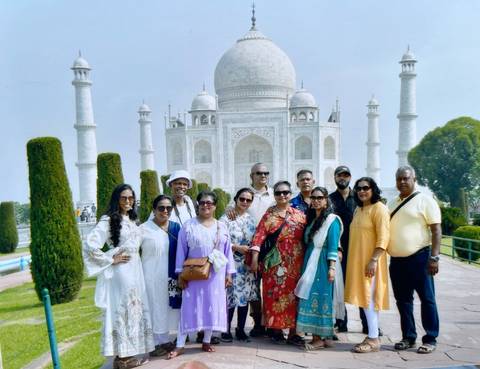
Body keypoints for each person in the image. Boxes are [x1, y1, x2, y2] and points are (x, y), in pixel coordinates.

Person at [83, 184, 153, 369]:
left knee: (135, 308)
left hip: (135, 268)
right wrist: (109, 259)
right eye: (124, 198)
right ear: (117, 199)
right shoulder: (108, 220)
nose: (128, 201)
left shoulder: (133, 220)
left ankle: (128, 353)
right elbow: (89, 245)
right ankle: (121, 356)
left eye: (131, 198)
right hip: (122, 270)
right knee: (123, 309)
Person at [167, 191, 235, 359]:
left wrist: (229, 274)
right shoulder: (188, 226)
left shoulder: (222, 226)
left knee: (212, 306)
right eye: (202, 202)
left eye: (209, 203)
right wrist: (180, 275)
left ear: (215, 206)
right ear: (197, 205)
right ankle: (180, 344)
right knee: (188, 308)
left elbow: (228, 253)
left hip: (215, 275)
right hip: (193, 274)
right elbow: (181, 252)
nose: (206, 205)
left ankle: (206, 340)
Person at [388, 166, 441, 354]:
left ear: (414, 179)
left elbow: (436, 230)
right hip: (397, 261)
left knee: (427, 299)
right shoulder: (392, 203)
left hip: (420, 258)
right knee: (403, 301)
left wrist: (434, 257)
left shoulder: (425, 200)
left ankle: (430, 338)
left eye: (405, 178)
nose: (402, 182)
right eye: (399, 179)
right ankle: (409, 336)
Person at [250, 181, 306, 345]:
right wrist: (254, 259)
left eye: (286, 192)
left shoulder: (299, 215)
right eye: (279, 193)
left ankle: (294, 333)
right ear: (274, 195)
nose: (282, 195)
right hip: (275, 265)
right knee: (274, 297)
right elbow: (258, 237)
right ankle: (276, 330)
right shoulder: (269, 215)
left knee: (295, 296)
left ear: (290, 194)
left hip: (296, 263)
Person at [345, 177, 390, 353]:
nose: (362, 191)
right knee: (364, 299)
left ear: (373, 189)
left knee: (369, 299)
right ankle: (372, 335)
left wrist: (373, 260)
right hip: (358, 261)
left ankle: (373, 338)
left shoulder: (379, 209)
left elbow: (384, 236)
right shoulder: (359, 209)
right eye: (359, 188)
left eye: (366, 188)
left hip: (371, 262)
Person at [295, 187, 343, 350]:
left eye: (319, 197)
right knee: (309, 295)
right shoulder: (311, 219)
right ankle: (324, 336)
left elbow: (333, 245)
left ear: (326, 199)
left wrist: (332, 267)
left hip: (322, 263)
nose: (315, 200)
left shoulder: (332, 220)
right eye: (313, 197)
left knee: (321, 297)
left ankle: (318, 338)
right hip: (310, 261)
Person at [329, 165, 370, 334]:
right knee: (339, 287)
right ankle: (341, 322)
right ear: (335, 178)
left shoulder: (360, 198)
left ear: (350, 177)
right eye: (340, 175)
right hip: (339, 250)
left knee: (363, 287)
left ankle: (368, 324)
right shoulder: (330, 199)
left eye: (346, 175)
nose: (342, 178)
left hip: (358, 249)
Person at [140, 195, 181, 357]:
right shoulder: (144, 228)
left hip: (170, 277)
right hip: (150, 276)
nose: (165, 211)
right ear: (154, 209)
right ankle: (154, 343)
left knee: (166, 308)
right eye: (161, 208)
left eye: (168, 208)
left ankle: (163, 340)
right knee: (152, 307)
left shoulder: (176, 228)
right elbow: (131, 249)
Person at [219, 188, 258, 342]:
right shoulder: (226, 219)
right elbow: (220, 241)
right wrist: (236, 247)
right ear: (235, 199)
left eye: (248, 200)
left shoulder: (251, 220)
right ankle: (225, 329)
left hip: (246, 265)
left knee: (244, 298)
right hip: (230, 264)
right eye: (242, 199)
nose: (245, 202)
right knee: (229, 298)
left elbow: (256, 240)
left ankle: (240, 329)